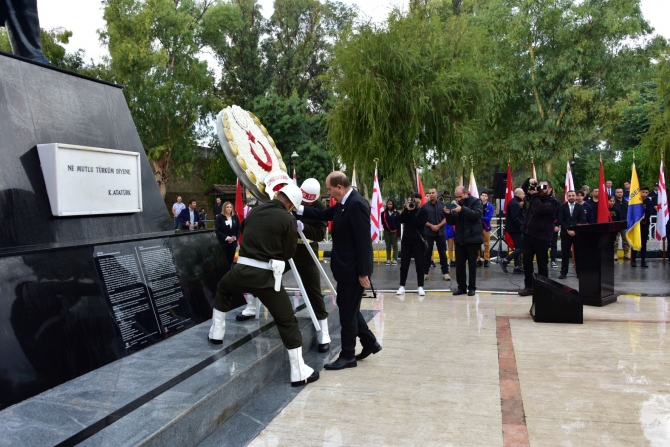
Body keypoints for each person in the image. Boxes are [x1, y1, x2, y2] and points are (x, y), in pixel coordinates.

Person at [208, 184, 320, 387]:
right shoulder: (288, 219)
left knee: (223, 288)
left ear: (278, 195)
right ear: (291, 205)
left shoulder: (254, 211)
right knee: (287, 320)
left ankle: (216, 332)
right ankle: (298, 371)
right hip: (266, 278)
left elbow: (244, 232)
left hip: (240, 272)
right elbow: (288, 253)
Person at [298, 172, 381, 370]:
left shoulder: (357, 204)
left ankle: (348, 356)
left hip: (353, 271)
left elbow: (363, 241)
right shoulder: (344, 203)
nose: (328, 193)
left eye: (329, 189)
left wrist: (363, 273)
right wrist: (297, 209)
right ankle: (370, 342)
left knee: (346, 314)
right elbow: (322, 214)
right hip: (345, 268)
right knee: (348, 307)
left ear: (339, 187)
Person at [291, 178, 331, 352]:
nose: (304, 203)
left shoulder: (320, 208)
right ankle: (252, 307)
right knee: (266, 275)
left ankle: (324, 335)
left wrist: (303, 226)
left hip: (307, 252)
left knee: (314, 291)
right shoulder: (293, 198)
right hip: (287, 248)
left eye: (309, 201)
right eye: (303, 199)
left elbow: (320, 234)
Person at [518, 179, 559, 296]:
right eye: (539, 187)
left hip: (542, 237)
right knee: (527, 262)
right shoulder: (535, 198)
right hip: (528, 235)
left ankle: (542, 287)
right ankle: (529, 286)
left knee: (542, 263)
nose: (541, 189)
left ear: (550, 189)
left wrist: (535, 195)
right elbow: (525, 189)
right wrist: (528, 181)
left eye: (544, 187)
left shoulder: (553, 201)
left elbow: (539, 209)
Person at [444, 186, 483, 296]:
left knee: (472, 265)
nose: (459, 199)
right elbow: (452, 222)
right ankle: (461, 287)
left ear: (466, 193)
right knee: (459, 265)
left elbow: (476, 215)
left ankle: (472, 287)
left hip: (472, 239)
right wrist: (447, 213)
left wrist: (462, 209)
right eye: (457, 197)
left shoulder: (476, 201)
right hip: (460, 239)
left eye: (460, 196)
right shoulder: (457, 203)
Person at [397, 193, 429, 296]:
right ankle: (402, 286)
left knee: (420, 265)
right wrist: (407, 210)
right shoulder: (407, 210)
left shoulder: (423, 211)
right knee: (404, 265)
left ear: (420, 201)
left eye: (417, 202)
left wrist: (412, 212)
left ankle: (420, 286)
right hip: (406, 241)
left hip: (418, 242)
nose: (415, 204)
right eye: (413, 201)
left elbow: (418, 223)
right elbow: (400, 220)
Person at [422, 188, 451, 281]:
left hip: (441, 232)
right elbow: (422, 220)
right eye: (429, 193)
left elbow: (447, 218)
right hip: (428, 233)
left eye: (433, 193)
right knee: (427, 253)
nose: (431, 194)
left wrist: (438, 226)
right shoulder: (424, 206)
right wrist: (431, 226)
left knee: (442, 253)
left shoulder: (443, 205)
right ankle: (424, 273)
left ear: (437, 194)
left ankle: (445, 273)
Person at [557, 190, 586, 279]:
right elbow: (561, 220)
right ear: (567, 196)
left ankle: (579, 272)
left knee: (578, 254)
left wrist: (574, 230)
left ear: (576, 196)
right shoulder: (562, 207)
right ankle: (563, 273)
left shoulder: (580, 207)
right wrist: (568, 229)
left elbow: (582, 219)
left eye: (573, 195)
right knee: (565, 254)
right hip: (566, 234)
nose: (571, 197)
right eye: (569, 196)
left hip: (577, 234)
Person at [500, 188, 525, 274]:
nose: (524, 195)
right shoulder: (515, 204)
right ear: (518, 194)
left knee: (518, 247)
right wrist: (522, 224)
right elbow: (515, 218)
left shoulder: (514, 202)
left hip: (514, 229)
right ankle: (505, 260)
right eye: (523, 193)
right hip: (515, 229)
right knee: (521, 247)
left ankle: (517, 266)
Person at [632, 186, 653, 268]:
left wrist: (642, 217)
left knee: (643, 243)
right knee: (635, 242)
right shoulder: (636, 201)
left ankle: (643, 260)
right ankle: (633, 260)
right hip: (636, 225)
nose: (644, 194)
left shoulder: (649, 202)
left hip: (644, 224)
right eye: (643, 192)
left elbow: (649, 213)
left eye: (646, 192)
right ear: (640, 192)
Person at [214, 201, 240, 268]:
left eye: (230, 207)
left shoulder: (235, 217)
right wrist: (227, 237)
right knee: (223, 262)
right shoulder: (219, 217)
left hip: (233, 244)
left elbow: (238, 229)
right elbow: (217, 230)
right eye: (227, 207)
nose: (229, 208)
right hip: (223, 243)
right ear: (224, 208)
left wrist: (235, 237)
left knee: (232, 261)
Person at [477, 192, 495, 267]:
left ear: (487, 197)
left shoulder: (490, 206)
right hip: (478, 227)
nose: (484, 197)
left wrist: (481, 217)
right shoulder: (477, 205)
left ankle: (486, 259)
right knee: (477, 244)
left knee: (486, 244)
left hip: (486, 228)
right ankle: (478, 259)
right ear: (480, 196)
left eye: (485, 196)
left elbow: (489, 218)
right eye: (483, 195)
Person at [382, 200, 401, 265]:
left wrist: (399, 234)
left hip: (394, 232)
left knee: (395, 246)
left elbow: (398, 224)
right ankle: (388, 259)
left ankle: (395, 259)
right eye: (388, 204)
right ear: (386, 205)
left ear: (393, 205)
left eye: (391, 204)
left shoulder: (396, 213)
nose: (389, 205)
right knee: (388, 246)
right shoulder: (384, 213)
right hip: (387, 232)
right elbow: (382, 223)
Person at [614, 188, 630, 259]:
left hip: (624, 223)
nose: (619, 193)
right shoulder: (613, 202)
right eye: (618, 192)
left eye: (621, 192)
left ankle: (626, 253)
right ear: (615, 193)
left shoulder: (626, 202)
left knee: (625, 239)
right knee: (616, 240)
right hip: (616, 223)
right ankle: (615, 253)